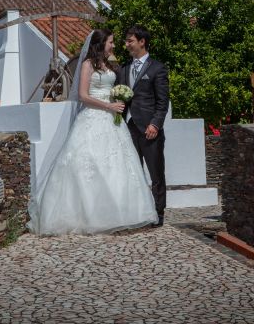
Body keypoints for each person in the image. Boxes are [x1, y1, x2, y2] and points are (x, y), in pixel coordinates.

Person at [27, 29, 159, 236]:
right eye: (111, 42)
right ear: (101, 43)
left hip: (112, 122)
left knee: (117, 166)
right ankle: (88, 216)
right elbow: (82, 96)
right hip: (93, 117)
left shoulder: (109, 65)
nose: (114, 45)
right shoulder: (88, 64)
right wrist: (108, 106)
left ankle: (121, 213)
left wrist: (117, 100)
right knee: (88, 165)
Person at [117, 25, 170, 227]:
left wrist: (155, 124)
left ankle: (158, 212)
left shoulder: (157, 68)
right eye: (126, 41)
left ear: (142, 42)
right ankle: (137, 212)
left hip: (149, 129)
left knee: (156, 172)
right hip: (127, 127)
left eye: (130, 41)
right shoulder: (123, 68)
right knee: (133, 172)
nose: (127, 44)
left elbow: (162, 101)